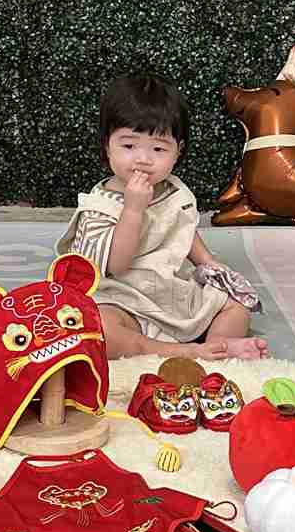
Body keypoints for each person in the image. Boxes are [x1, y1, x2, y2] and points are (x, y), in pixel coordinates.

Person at [56, 73, 267, 361]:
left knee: (236, 305)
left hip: (169, 292)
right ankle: (181, 351)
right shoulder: (99, 207)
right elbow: (116, 265)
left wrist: (209, 263)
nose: (143, 159)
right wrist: (133, 210)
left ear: (178, 152)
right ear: (107, 146)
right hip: (124, 298)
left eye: (158, 149)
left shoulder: (173, 190)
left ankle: (219, 346)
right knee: (99, 328)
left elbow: (183, 228)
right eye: (129, 146)